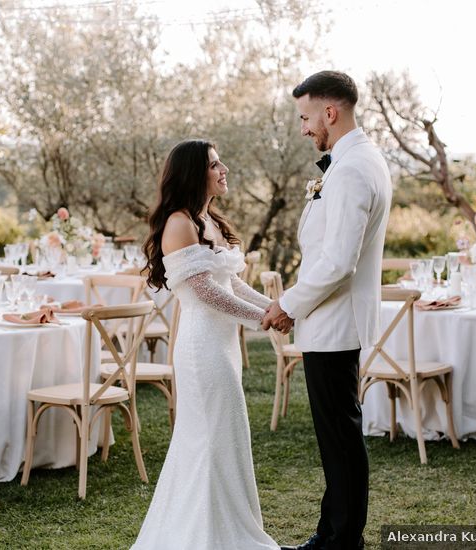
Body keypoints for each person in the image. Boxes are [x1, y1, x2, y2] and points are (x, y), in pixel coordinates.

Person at [262, 71, 392, 550]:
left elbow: (339, 261)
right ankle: (331, 534)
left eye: (305, 117)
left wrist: (288, 305)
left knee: (340, 439)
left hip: (336, 326)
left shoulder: (354, 168)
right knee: (338, 439)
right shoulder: (355, 160)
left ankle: (340, 541)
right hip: (334, 324)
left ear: (329, 113)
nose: (303, 128)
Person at [133, 139, 278, 550]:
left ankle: (227, 528)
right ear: (196, 173)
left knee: (227, 435)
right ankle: (204, 536)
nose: (224, 169)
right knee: (210, 438)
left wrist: (278, 307)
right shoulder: (179, 223)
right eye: (215, 164)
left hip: (222, 345)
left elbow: (229, 283)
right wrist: (262, 319)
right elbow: (204, 294)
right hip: (202, 348)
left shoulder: (206, 220)